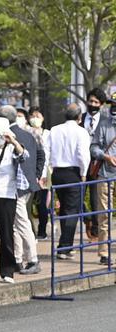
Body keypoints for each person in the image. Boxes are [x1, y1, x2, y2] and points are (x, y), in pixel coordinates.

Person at [0, 105, 44, 274]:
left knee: (21, 222)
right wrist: (36, 174)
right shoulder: (28, 134)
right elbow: (41, 154)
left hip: (14, 186)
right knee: (16, 223)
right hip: (27, 184)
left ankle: (33, 259)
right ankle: (18, 259)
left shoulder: (7, 136)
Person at [0, 116, 29, 284]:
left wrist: (13, 141)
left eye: (1, 134)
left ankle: (7, 272)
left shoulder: (12, 149)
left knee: (7, 235)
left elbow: (24, 156)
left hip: (8, 196)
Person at [48, 103, 91, 260]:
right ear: (79, 117)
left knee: (65, 209)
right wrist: (84, 173)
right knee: (72, 210)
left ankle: (66, 245)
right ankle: (64, 247)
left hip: (57, 172)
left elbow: (47, 151)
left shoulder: (54, 130)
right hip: (73, 172)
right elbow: (83, 155)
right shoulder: (81, 132)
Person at [90, 99, 116, 265]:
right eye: (112, 105)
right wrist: (106, 156)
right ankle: (104, 252)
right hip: (106, 174)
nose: (113, 109)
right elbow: (93, 147)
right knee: (104, 215)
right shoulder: (104, 124)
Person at [82, 88, 106, 239]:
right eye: (91, 101)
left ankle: (96, 228)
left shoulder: (105, 120)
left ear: (101, 104)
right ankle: (87, 218)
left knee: (95, 197)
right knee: (77, 195)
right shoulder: (80, 118)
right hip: (80, 162)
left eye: (96, 102)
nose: (93, 104)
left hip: (98, 163)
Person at [29, 108, 52, 240]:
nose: (35, 118)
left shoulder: (48, 134)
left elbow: (50, 155)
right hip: (30, 173)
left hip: (44, 173)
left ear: (43, 118)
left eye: (38, 116)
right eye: (33, 116)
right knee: (29, 204)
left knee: (42, 204)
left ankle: (42, 231)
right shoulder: (27, 132)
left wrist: (47, 174)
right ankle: (30, 231)